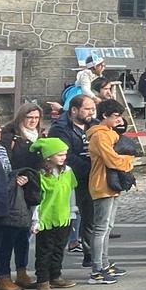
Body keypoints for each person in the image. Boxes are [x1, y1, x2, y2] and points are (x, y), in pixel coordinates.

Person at [87, 99, 134, 285]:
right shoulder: (100, 136)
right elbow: (112, 160)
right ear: (104, 116)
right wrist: (128, 161)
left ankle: (104, 263)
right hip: (102, 184)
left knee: (107, 227)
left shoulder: (108, 133)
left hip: (111, 184)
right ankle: (96, 269)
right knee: (100, 228)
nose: (119, 119)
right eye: (115, 116)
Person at [49, 95, 96, 266]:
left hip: (91, 178)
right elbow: (65, 156)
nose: (91, 112)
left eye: (93, 108)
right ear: (74, 110)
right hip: (71, 178)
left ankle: (91, 255)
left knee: (90, 218)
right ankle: (54, 266)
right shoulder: (60, 128)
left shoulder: (94, 124)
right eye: (87, 109)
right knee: (67, 220)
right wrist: (90, 167)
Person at [0, 118, 40, 290]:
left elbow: (6, 172)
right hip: (1, 199)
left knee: (20, 234)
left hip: (10, 196)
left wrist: (18, 177)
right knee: (2, 242)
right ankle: (3, 277)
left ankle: (21, 272)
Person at [30, 137, 78, 290]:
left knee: (59, 248)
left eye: (65, 154)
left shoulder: (68, 171)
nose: (63, 157)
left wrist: (72, 211)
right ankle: (42, 280)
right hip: (46, 219)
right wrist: (36, 220)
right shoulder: (40, 175)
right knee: (45, 251)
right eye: (59, 155)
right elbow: (37, 200)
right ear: (48, 156)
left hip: (63, 216)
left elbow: (71, 191)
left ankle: (55, 276)